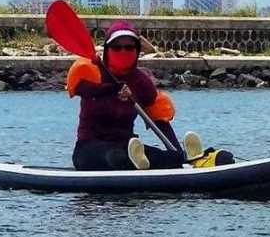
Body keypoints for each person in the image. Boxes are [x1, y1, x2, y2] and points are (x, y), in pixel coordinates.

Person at [66, 19, 231, 170]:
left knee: (167, 157)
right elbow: (81, 89)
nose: (123, 51)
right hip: (89, 148)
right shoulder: (93, 72)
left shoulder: (140, 81)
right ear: (108, 50)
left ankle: (191, 159)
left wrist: (175, 151)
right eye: (117, 47)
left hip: (128, 146)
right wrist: (112, 89)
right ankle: (136, 164)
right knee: (115, 157)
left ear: (137, 51)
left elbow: (159, 120)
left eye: (129, 47)